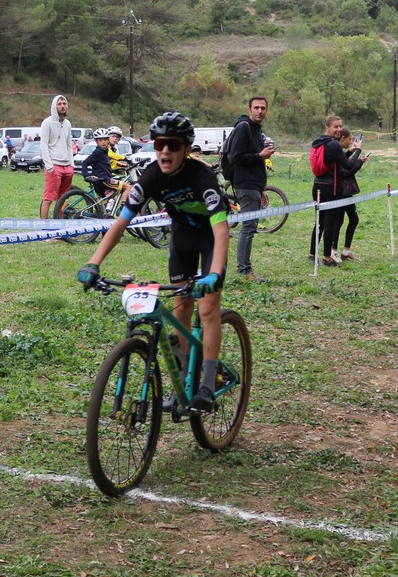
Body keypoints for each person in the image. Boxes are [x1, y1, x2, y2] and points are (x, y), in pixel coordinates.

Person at [77, 112, 229, 413]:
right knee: (181, 309)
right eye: (160, 144)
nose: (165, 151)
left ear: (187, 148)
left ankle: (208, 384)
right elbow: (120, 224)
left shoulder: (202, 176)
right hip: (183, 239)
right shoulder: (151, 176)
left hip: (210, 238)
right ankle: (183, 379)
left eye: (173, 145)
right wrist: (93, 263)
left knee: (207, 307)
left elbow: (221, 230)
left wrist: (213, 274)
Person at [221, 96, 275, 282]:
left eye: (263, 108)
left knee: (250, 225)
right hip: (245, 184)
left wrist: (261, 188)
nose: (260, 111)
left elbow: (254, 161)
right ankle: (244, 271)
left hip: (254, 185)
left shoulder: (256, 129)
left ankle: (244, 269)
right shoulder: (244, 128)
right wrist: (260, 155)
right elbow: (236, 157)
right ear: (249, 109)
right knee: (249, 226)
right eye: (256, 108)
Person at [308, 115, 343, 266]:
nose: (339, 129)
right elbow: (346, 165)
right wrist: (358, 153)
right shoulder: (334, 144)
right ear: (327, 128)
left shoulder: (318, 142)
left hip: (318, 185)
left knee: (320, 222)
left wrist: (349, 152)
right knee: (330, 223)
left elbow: (334, 161)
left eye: (340, 126)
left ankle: (312, 254)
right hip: (331, 187)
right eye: (336, 127)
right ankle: (327, 258)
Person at [331, 128, 365, 261]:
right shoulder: (336, 151)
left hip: (348, 192)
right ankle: (333, 251)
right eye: (349, 139)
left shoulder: (342, 152)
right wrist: (358, 155)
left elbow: (348, 167)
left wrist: (358, 160)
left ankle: (346, 251)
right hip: (341, 192)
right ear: (342, 138)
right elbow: (346, 172)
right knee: (338, 222)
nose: (350, 141)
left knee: (354, 219)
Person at [40, 94, 73, 219]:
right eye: (59, 104)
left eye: (64, 103)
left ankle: (60, 226)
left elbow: (69, 145)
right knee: (48, 199)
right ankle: (44, 228)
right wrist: (49, 166)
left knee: (63, 199)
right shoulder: (47, 123)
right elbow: (44, 145)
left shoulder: (67, 123)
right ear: (54, 106)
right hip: (54, 166)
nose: (62, 106)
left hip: (67, 167)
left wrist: (71, 165)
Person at [78, 128, 119, 197]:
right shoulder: (98, 152)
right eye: (100, 140)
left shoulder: (105, 151)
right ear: (96, 141)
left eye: (105, 140)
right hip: (101, 179)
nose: (103, 142)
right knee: (125, 187)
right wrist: (86, 175)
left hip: (104, 178)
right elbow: (85, 163)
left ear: (108, 140)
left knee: (105, 198)